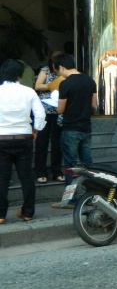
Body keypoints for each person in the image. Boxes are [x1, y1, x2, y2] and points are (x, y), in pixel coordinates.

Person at [0, 59, 46, 223]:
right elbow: (40, 115)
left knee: (2, 178)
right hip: (24, 137)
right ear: (20, 76)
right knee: (26, 177)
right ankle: (27, 212)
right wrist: (35, 131)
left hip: (2, 138)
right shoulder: (29, 92)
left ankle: (1, 215)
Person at [53, 53, 97, 208]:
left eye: (57, 71)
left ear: (61, 67)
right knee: (88, 164)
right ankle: (93, 195)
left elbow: (60, 109)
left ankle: (70, 199)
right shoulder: (90, 81)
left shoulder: (65, 84)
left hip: (70, 128)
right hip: (86, 128)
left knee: (71, 167)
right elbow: (94, 105)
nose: (58, 74)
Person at [34, 50, 65, 183]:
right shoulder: (45, 70)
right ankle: (41, 172)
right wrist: (51, 86)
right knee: (42, 143)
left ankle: (56, 171)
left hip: (59, 112)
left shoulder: (64, 72)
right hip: (44, 112)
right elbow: (37, 86)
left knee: (57, 144)